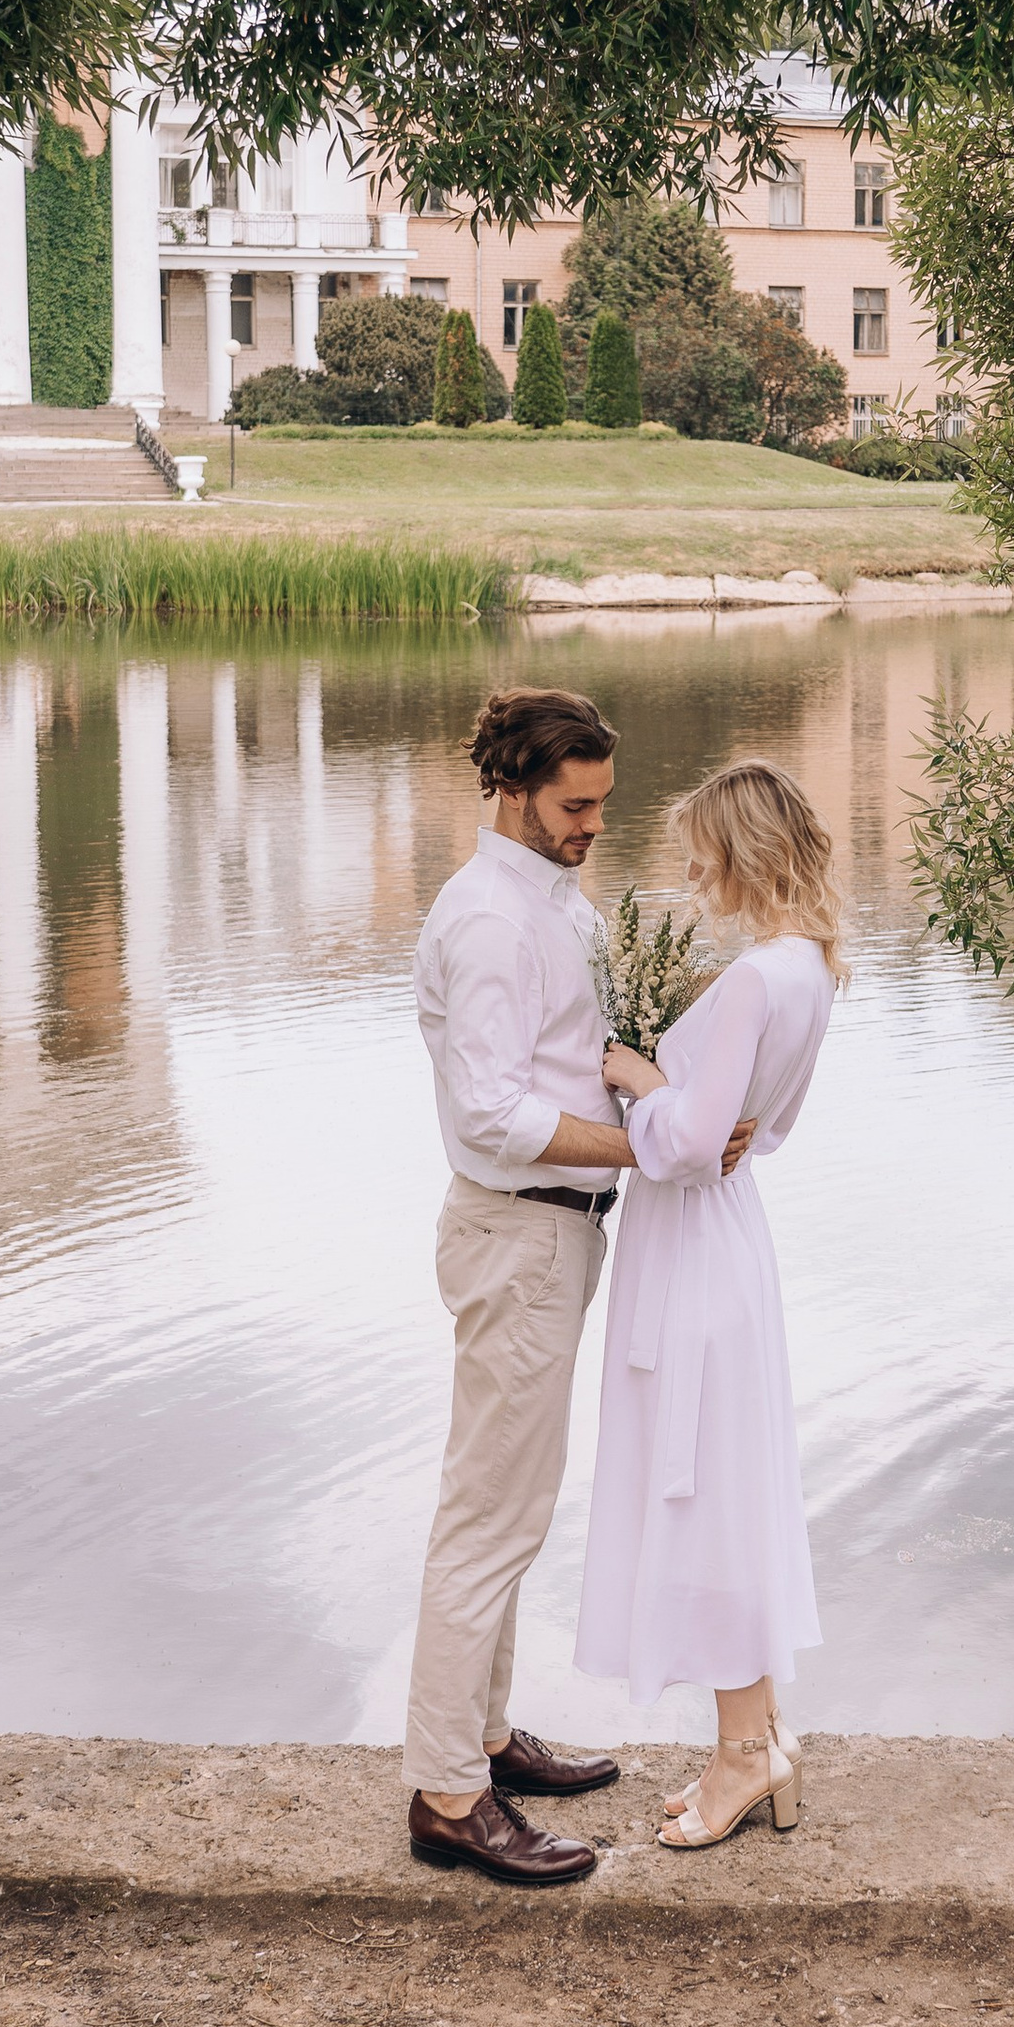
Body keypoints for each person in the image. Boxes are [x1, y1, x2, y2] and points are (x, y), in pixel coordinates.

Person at [404, 685, 749, 1888]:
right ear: (512, 787)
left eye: (603, 803)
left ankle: (486, 1743)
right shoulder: (492, 921)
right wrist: (656, 1138)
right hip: (517, 1233)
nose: (594, 823)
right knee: (487, 1519)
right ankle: (449, 1796)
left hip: (551, 1237)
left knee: (511, 1506)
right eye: (574, 804)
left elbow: (564, 1061)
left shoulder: (546, 898)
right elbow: (493, 1114)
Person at [576, 757, 843, 1852]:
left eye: (700, 847)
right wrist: (692, 1113)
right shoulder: (811, 969)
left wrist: (638, 1077)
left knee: (704, 1495)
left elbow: (688, 1146)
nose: (688, 868)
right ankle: (764, 1736)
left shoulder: (751, 983)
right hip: (731, 1240)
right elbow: (751, 1133)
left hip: (694, 1249)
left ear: (742, 849)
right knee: (732, 1482)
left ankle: (741, 1757)